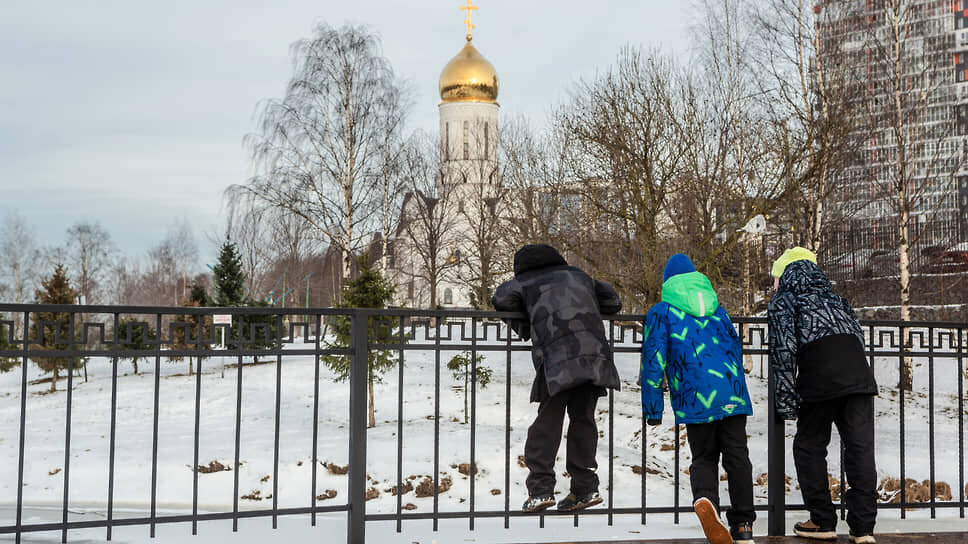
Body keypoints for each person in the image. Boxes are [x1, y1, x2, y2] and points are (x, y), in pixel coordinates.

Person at [491, 244, 622, 513]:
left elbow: (501, 298)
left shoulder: (526, 280)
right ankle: (585, 489)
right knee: (583, 420)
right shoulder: (580, 276)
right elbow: (612, 301)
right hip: (594, 356)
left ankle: (540, 490)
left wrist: (526, 322)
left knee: (547, 423)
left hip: (558, 360)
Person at [641, 254, 755, 544]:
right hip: (731, 392)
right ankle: (743, 526)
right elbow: (734, 348)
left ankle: (707, 502)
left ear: (667, 282)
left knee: (704, 456)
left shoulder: (662, 312)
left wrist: (653, 408)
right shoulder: (719, 311)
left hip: (696, 396)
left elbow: (653, 362)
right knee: (738, 457)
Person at [768, 247, 878, 544]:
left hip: (820, 374)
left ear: (785, 273)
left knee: (809, 446)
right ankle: (864, 528)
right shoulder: (836, 298)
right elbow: (857, 335)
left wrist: (785, 402)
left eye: (775, 277)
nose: (774, 283)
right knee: (860, 450)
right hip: (858, 375)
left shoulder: (785, 300)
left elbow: (783, 352)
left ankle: (822, 520)